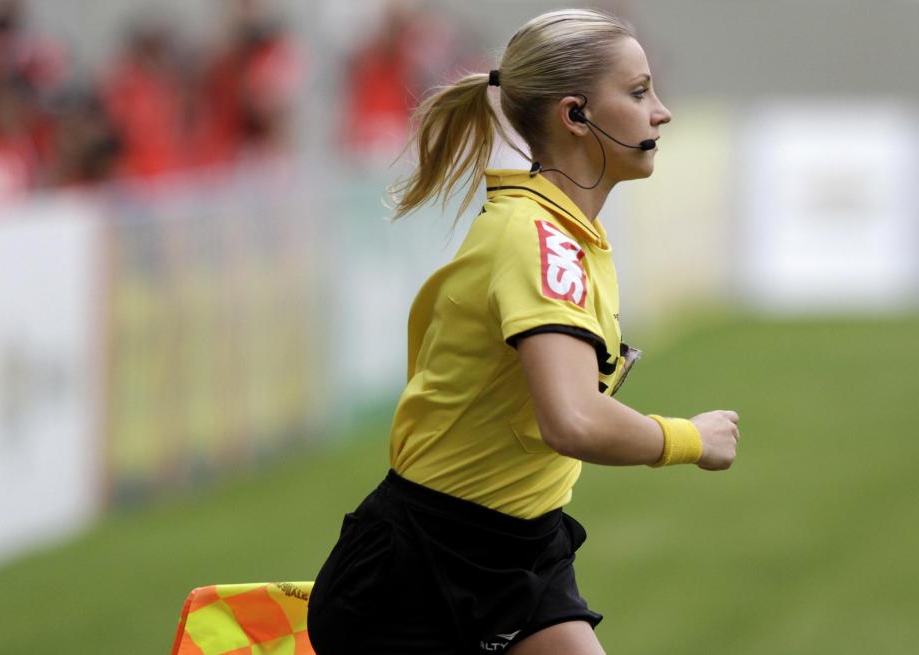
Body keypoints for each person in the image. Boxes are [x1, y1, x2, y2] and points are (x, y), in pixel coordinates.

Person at [307, 8, 740, 655]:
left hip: (519, 549)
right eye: (639, 91)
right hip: (416, 573)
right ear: (575, 115)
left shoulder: (562, 233)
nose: (662, 111)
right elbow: (573, 419)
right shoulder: (538, 240)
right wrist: (688, 439)